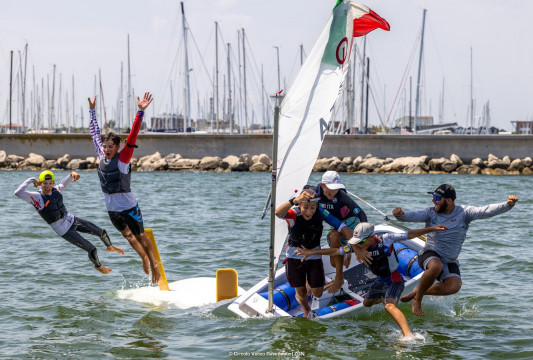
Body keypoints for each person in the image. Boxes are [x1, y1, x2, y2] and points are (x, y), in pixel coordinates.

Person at [297, 222, 448, 337]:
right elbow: (336, 250)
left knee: (389, 307)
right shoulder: (358, 245)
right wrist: (311, 252)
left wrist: (432, 229)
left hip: (394, 279)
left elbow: (410, 234)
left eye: (361, 241)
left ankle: (408, 335)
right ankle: (387, 298)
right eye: (356, 241)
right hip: (380, 280)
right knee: (367, 303)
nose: (358, 244)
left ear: (370, 237)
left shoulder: (387, 239)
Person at [392, 184, 519, 316]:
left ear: (449, 200)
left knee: (454, 286)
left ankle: (418, 291)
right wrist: (400, 215)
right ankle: (417, 300)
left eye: (437, 197)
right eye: (433, 197)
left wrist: (508, 204)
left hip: (449, 260)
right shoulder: (431, 213)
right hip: (429, 253)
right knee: (436, 266)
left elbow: (486, 210)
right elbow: (412, 216)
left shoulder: (464, 213)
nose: (433, 200)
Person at [88, 93, 161, 284]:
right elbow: (94, 134)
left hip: (129, 206)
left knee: (140, 236)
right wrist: (92, 111)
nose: (106, 149)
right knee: (128, 236)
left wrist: (140, 111)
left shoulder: (123, 158)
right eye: (105, 147)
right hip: (112, 208)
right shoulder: (101, 155)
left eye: (110, 146)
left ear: (117, 146)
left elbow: (133, 135)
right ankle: (143, 258)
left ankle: (154, 264)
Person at [14, 170, 124, 274]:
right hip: (63, 230)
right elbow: (18, 193)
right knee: (91, 249)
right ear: (40, 184)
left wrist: (72, 174)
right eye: (45, 183)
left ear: (53, 183)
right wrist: (32, 180)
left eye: (50, 183)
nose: (48, 186)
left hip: (72, 220)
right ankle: (99, 267)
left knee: (102, 232)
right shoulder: (36, 197)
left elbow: (65, 182)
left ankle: (110, 246)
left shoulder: (56, 189)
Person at [276, 186, 352, 318]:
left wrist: (354, 245)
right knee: (301, 293)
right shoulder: (293, 215)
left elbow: (341, 226)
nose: (309, 211)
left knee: (317, 293)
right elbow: (277, 213)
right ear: (299, 205)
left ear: (317, 206)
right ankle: (306, 309)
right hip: (295, 258)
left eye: (313, 207)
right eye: (306, 207)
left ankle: (319, 283)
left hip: (314, 255)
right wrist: (294, 200)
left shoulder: (321, 213)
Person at [316, 171, 369, 294]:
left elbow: (361, 214)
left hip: (352, 220)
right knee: (334, 263)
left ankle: (339, 279)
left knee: (333, 235)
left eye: (335, 189)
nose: (333, 192)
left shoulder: (341, 195)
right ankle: (347, 249)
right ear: (322, 185)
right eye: (330, 189)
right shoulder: (315, 194)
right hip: (338, 224)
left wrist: (362, 240)